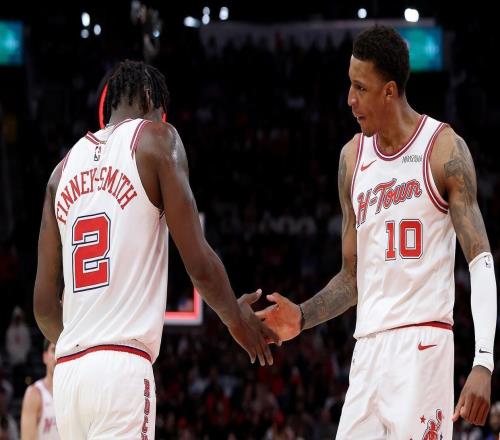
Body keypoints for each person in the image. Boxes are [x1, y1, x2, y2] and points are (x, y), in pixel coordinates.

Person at [257, 25, 496, 438]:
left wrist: (484, 360)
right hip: (367, 350)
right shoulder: (351, 158)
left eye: (360, 88)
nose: (349, 100)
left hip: (422, 346)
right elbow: (352, 278)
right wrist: (303, 317)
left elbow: (480, 259)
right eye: (349, 85)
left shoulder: (442, 148)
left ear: (389, 91)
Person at [33, 59, 278, 439]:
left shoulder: (60, 172)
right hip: (122, 367)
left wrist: (87, 339)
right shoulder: (157, 140)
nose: (163, 119)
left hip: (68, 374)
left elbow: (44, 307)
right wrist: (235, 319)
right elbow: (198, 263)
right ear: (150, 98)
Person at [20, 339, 59, 439]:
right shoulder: (34, 394)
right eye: (54, 350)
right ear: (44, 357)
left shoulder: (72, 392)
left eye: (60, 351)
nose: (57, 356)